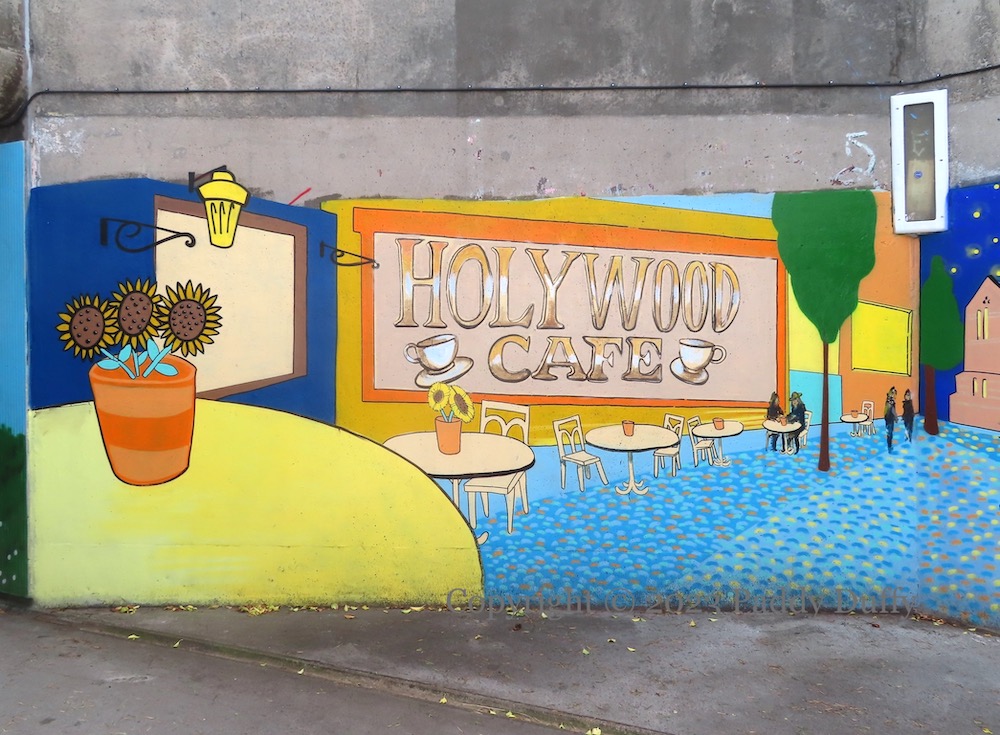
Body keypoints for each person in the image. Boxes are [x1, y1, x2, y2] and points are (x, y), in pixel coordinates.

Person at [884, 386, 898, 453]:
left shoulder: (889, 400)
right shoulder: (890, 401)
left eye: (895, 393)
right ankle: (889, 447)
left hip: (889, 418)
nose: (893, 394)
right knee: (890, 433)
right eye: (892, 393)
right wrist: (896, 417)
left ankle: (889, 446)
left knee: (889, 432)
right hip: (889, 418)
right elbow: (892, 410)